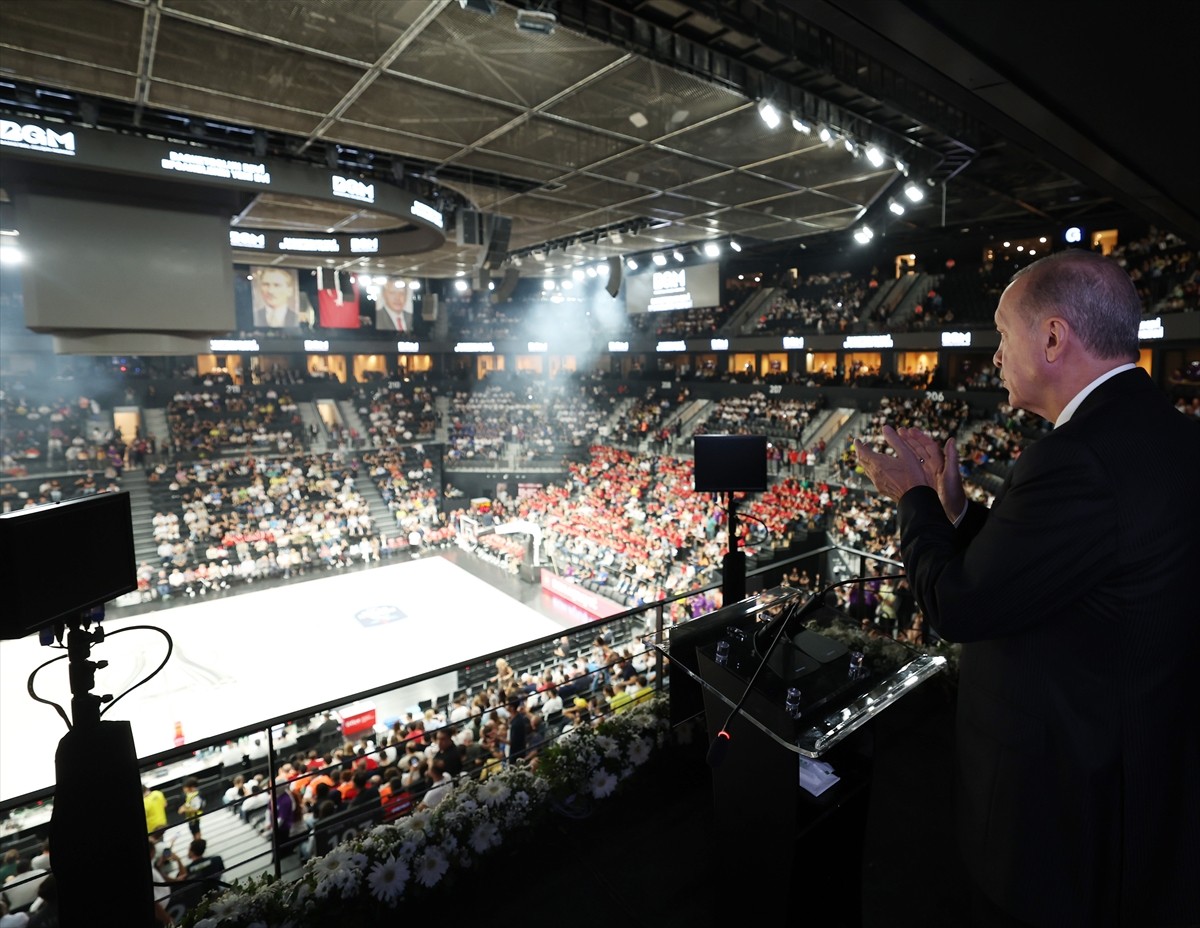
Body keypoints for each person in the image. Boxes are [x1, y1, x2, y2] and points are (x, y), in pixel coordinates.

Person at [853, 249, 1200, 927]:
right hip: (1138, 778)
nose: (994, 356)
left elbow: (959, 604)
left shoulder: (1075, 458)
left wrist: (913, 500)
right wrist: (957, 511)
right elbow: (1058, 566)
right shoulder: (1166, 434)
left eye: (1003, 334)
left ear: (1053, 337)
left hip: (1063, 806)